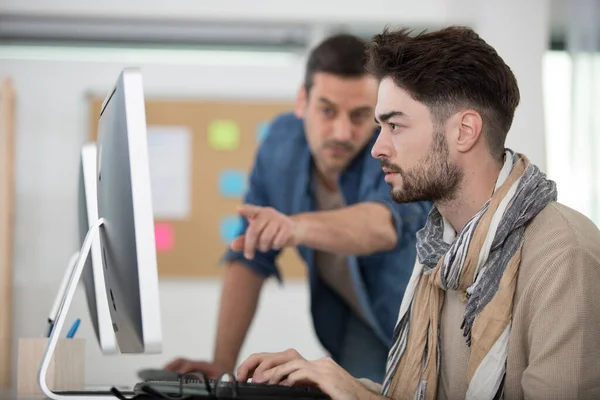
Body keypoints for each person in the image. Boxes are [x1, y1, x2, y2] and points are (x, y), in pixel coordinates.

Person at [233, 25, 600, 400]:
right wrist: (333, 385)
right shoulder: (438, 251)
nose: (377, 148)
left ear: (465, 131)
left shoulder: (564, 257)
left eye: (395, 125)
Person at [164, 33, 431, 383]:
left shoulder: (388, 149)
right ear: (302, 100)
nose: (342, 131)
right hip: (352, 320)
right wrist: (222, 369)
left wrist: (294, 227)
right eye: (328, 111)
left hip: (420, 321)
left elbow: (384, 226)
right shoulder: (279, 146)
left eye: (360, 115)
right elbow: (250, 254)